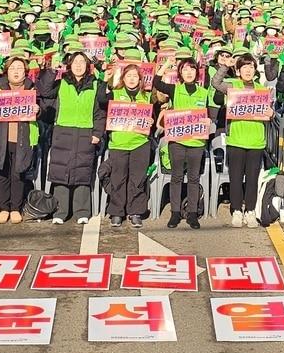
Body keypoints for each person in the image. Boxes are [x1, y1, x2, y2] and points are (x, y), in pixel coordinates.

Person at [38, 51, 107, 224]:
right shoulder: (61, 83)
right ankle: (60, 212)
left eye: (82, 62)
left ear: (87, 66)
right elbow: (45, 91)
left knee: (83, 171)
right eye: (75, 62)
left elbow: (100, 113)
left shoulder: (94, 84)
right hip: (63, 131)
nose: (78, 65)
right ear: (69, 65)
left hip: (86, 132)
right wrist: (52, 70)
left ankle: (82, 211)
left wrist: (97, 134)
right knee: (61, 172)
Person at [212, 54, 273, 228]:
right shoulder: (233, 86)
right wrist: (225, 66)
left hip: (256, 140)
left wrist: (271, 113)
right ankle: (237, 210)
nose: (248, 70)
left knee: (252, 179)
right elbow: (215, 83)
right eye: (244, 67)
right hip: (236, 139)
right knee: (236, 178)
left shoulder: (262, 90)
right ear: (238, 71)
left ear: (255, 70)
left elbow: (270, 111)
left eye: (251, 67)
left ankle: (251, 211)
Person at [0, 53, 39, 224]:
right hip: (1, 138)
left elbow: (41, 109)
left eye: (20, 68)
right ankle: (4, 208)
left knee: (18, 174)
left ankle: (15, 208)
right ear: (6, 71)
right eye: (13, 68)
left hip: (22, 138)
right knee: (3, 174)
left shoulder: (31, 89)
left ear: (26, 72)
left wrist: (37, 110)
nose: (16, 71)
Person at [154, 58, 212, 229]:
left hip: (196, 142)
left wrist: (208, 121)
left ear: (197, 73)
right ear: (180, 73)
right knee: (177, 177)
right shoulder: (174, 90)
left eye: (192, 69)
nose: (189, 73)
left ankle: (192, 214)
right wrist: (166, 65)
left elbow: (208, 114)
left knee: (194, 178)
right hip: (177, 141)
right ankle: (175, 213)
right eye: (185, 69)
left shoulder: (203, 92)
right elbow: (157, 82)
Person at [103, 63, 154, 229]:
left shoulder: (146, 96)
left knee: (137, 179)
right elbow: (101, 100)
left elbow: (155, 116)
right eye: (129, 76)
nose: (132, 79)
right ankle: (117, 212)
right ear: (123, 78)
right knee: (118, 178)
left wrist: (152, 121)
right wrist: (109, 78)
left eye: (135, 76)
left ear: (140, 79)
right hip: (119, 143)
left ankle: (135, 212)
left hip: (140, 143)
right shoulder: (115, 94)